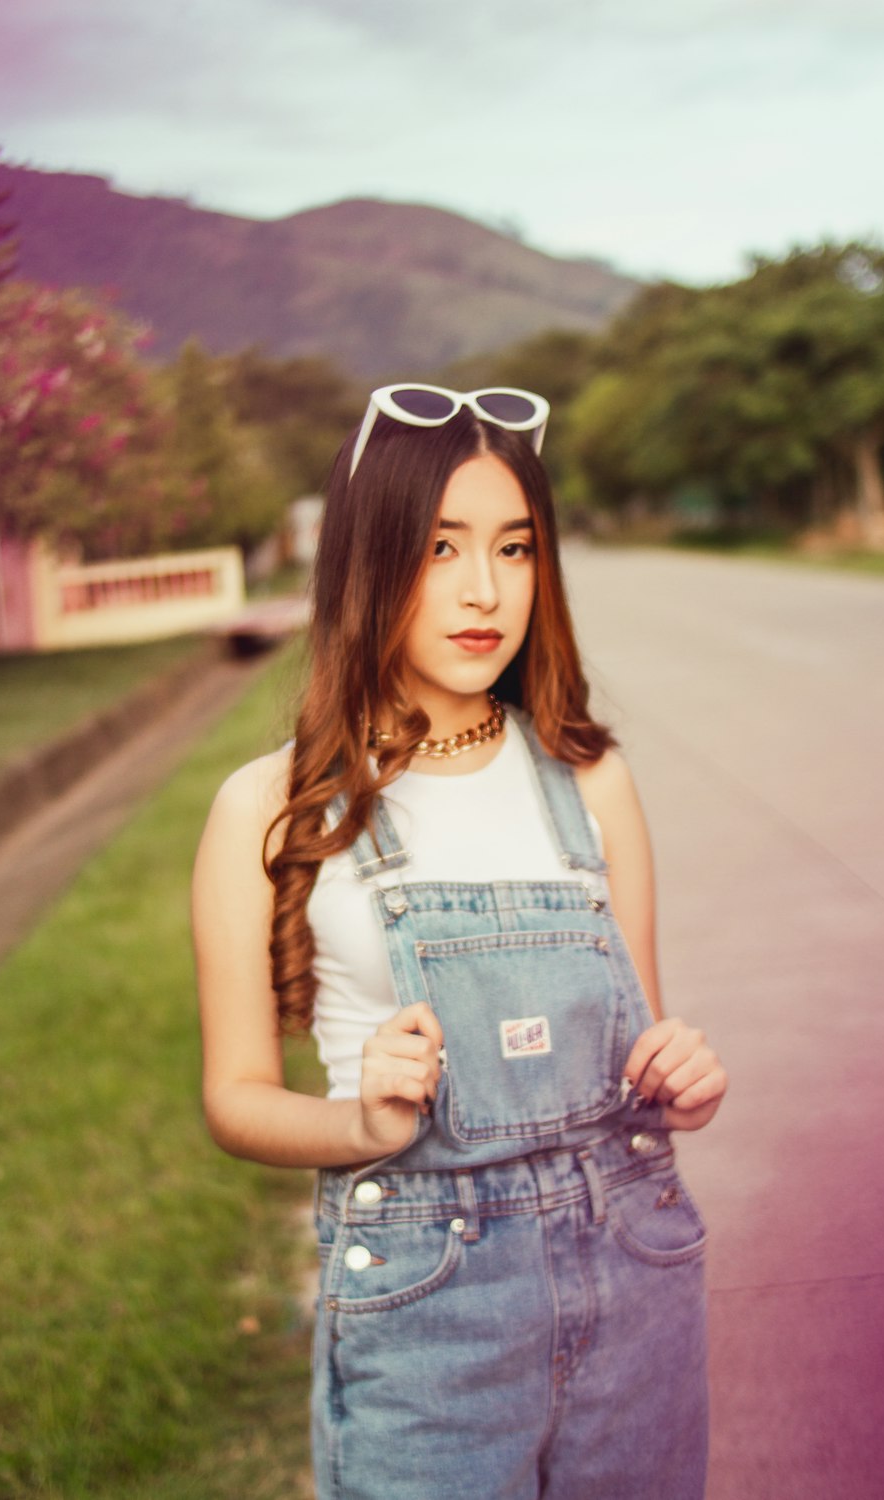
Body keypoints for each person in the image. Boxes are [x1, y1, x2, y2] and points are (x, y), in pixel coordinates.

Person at [192, 384, 727, 1500]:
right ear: (367, 561)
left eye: (514, 548)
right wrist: (360, 1120)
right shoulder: (270, 806)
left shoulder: (590, 780)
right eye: (440, 548)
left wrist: (681, 1081)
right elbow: (235, 1097)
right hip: (425, 1313)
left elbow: (644, 1069)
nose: (485, 590)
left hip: (633, 1285)